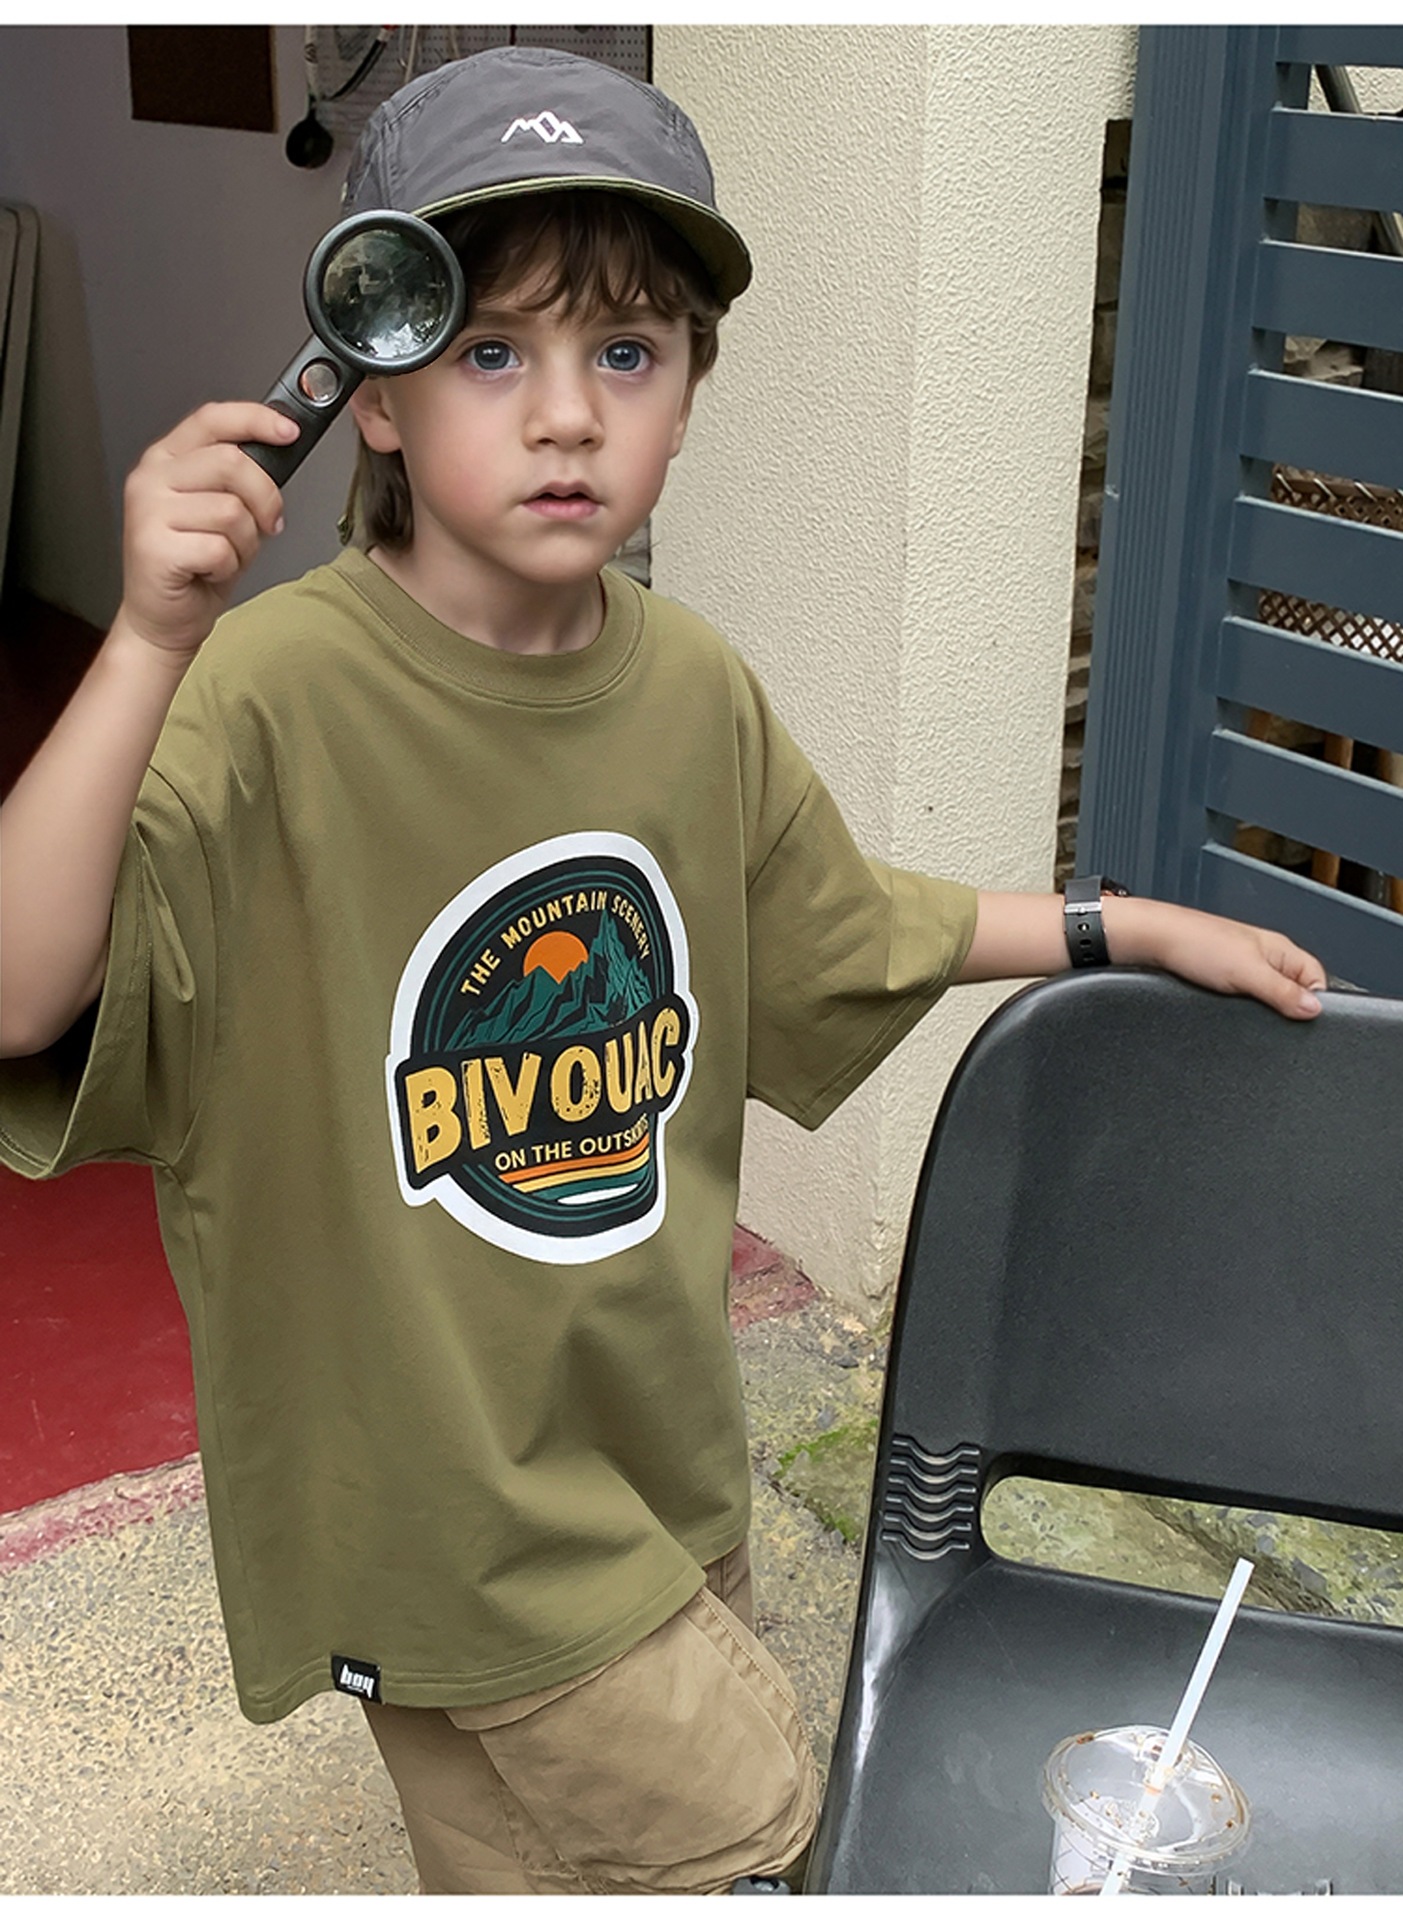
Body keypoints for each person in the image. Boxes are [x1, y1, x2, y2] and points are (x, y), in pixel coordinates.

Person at [0, 45, 1327, 1898]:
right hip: (444, 1505)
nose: (566, 418)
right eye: (491, 352)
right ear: (370, 390)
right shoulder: (273, 695)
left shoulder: (690, 685)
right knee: (768, 1833)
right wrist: (150, 639)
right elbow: (21, 989)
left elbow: (842, 919)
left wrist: (1121, 927)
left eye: (625, 352)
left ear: (692, 392)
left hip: (655, 1454)